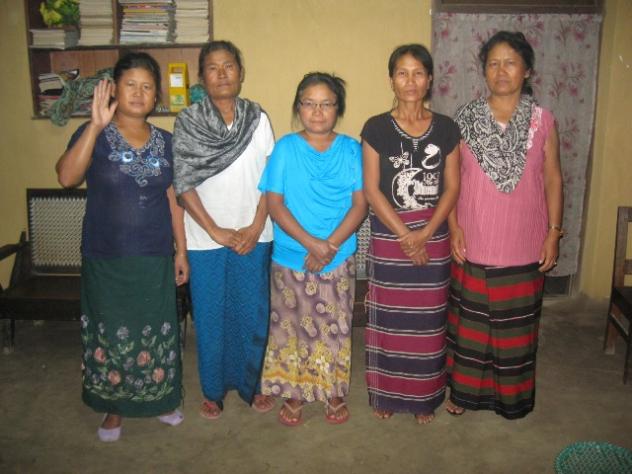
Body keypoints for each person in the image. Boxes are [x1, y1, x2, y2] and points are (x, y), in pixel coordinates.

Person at [56, 52, 189, 442]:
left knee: (157, 330)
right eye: (131, 84)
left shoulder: (167, 142)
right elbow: (66, 177)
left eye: (147, 87)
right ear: (114, 88)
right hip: (106, 254)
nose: (139, 93)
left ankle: (160, 399)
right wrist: (95, 127)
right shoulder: (93, 133)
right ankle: (114, 407)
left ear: (156, 96)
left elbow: (174, 200)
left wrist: (181, 251)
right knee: (112, 332)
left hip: (153, 256)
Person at [446, 31, 563, 420]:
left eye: (510, 62)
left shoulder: (543, 121)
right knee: (471, 331)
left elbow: (553, 179)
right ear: (484, 71)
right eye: (493, 63)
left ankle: (511, 399)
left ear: (526, 70)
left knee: (516, 333)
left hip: (524, 243)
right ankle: (463, 394)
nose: (500, 71)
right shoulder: (464, 119)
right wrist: (453, 226)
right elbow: (451, 181)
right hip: (474, 240)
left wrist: (553, 232)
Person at [172, 40, 275, 419]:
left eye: (228, 65)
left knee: (251, 313)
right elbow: (183, 183)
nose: (221, 74)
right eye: (212, 68)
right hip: (205, 238)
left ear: (240, 72)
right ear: (202, 77)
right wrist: (214, 230)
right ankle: (213, 391)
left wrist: (257, 225)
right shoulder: (188, 121)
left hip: (254, 234)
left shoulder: (257, 118)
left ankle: (254, 385)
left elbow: (272, 178)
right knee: (211, 316)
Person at [259, 72, 366, 426]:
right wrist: (311, 244)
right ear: (298, 107)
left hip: (338, 255)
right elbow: (275, 204)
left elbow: (360, 205)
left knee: (334, 327)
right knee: (291, 330)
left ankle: (334, 392)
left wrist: (330, 246)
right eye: (309, 103)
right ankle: (294, 393)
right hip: (292, 255)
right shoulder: (285, 148)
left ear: (338, 109)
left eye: (326, 104)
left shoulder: (351, 149)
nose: (317, 112)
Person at [362, 44, 460, 424]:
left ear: (429, 79)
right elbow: (372, 189)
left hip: (434, 235)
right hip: (390, 235)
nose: (410, 81)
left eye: (418, 72)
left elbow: (452, 187)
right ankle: (387, 394)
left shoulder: (447, 128)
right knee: (390, 318)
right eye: (402, 73)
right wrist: (407, 235)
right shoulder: (375, 128)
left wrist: (426, 234)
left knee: (428, 321)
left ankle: (423, 399)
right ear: (391, 80)